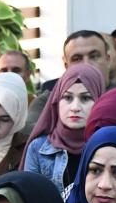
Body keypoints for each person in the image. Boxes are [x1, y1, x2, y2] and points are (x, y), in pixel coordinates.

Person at [27, 30, 116, 133]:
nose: (86, 64)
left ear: (108, 59)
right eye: (77, 58)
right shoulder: (49, 99)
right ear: (66, 64)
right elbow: (28, 130)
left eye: (94, 56)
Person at [21, 63, 106, 191]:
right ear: (56, 101)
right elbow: (32, 198)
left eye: (85, 98)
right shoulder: (38, 148)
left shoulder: (109, 146)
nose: (75, 107)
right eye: (67, 97)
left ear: (99, 101)